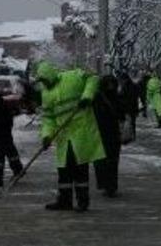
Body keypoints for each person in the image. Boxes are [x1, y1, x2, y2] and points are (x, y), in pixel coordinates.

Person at [33, 61, 106, 212]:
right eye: (41, 81)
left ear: (50, 75)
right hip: (63, 136)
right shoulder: (46, 94)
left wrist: (87, 96)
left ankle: (83, 201)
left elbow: (93, 78)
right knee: (64, 170)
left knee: (80, 168)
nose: (44, 83)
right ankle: (64, 201)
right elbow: (48, 119)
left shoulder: (72, 77)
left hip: (81, 132)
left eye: (44, 80)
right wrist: (46, 136)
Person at [92, 73, 122, 198]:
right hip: (103, 133)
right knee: (103, 161)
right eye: (108, 84)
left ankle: (110, 186)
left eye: (112, 83)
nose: (110, 86)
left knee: (110, 161)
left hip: (109, 133)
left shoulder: (103, 97)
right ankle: (107, 185)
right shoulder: (99, 98)